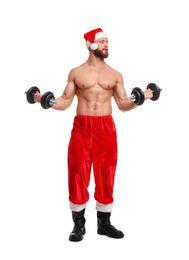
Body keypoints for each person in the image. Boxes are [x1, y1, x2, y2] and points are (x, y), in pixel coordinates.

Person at [34, 28, 153, 242]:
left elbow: (124, 105)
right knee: (77, 171)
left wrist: (142, 97)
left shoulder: (115, 74)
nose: (107, 45)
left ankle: (104, 224)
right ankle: (78, 226)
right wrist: (45, 100)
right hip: (82, 126)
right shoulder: (76, 72)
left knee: (106, 173)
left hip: (105, 127)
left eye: (108, 41)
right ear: (92, 44)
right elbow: (65, 101)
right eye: (103, 41)